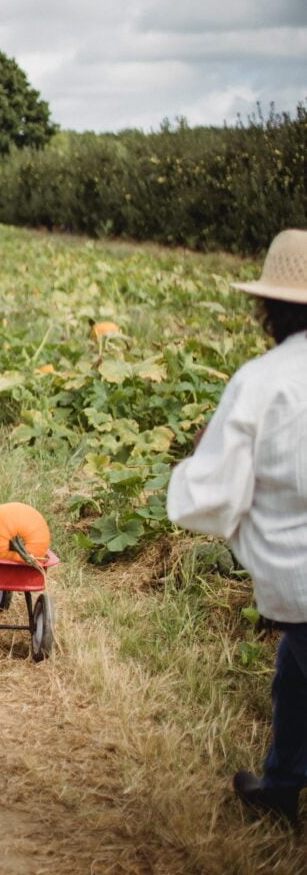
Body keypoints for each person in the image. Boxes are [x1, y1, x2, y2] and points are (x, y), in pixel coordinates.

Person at [167, 228, 307, 828]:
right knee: (293, 678)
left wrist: (197, 458)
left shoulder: (264, 381)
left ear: (269, 306)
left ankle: (281, 785)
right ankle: (279, 785)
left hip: (302, 582)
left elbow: (211, 500)